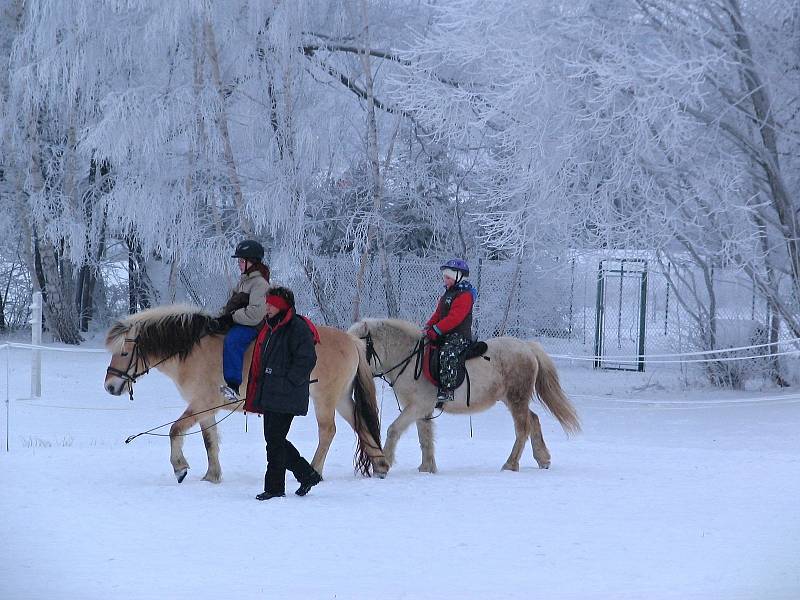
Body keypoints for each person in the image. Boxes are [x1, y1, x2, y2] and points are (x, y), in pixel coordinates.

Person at [243, 286, 322, 500]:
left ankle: (275, 488)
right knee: (275, 440)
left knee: (275, 441)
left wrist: (288, 381)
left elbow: (307, 359)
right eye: (267, 304)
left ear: (281, 306)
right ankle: (306, 474)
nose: (267, 308)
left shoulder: (297, 327)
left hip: (286, 394)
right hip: (272, 393)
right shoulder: (271, 328)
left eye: (271, 304)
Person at [215, 239, 270, 401]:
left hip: (253, 326)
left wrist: (231, 317)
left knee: (233, 339)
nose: (238, 264)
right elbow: (231, 305)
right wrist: (219, 318)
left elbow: (255, 314)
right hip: (241, 321)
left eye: (241, 260)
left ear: (251, 262)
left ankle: (233, 385)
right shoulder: (244, 281)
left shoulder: (260, 284)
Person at [424, 258, 477, 409]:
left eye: (448, 277)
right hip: (445, 333)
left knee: (447, 352)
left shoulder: (465, 295)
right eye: (444, 277)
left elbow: (455, 318)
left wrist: (436, 330)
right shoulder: (447, 294)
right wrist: (428, 326)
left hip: (459, 336)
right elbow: (438, 314)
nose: (445, 280)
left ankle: (447, 389)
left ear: (458, 277)